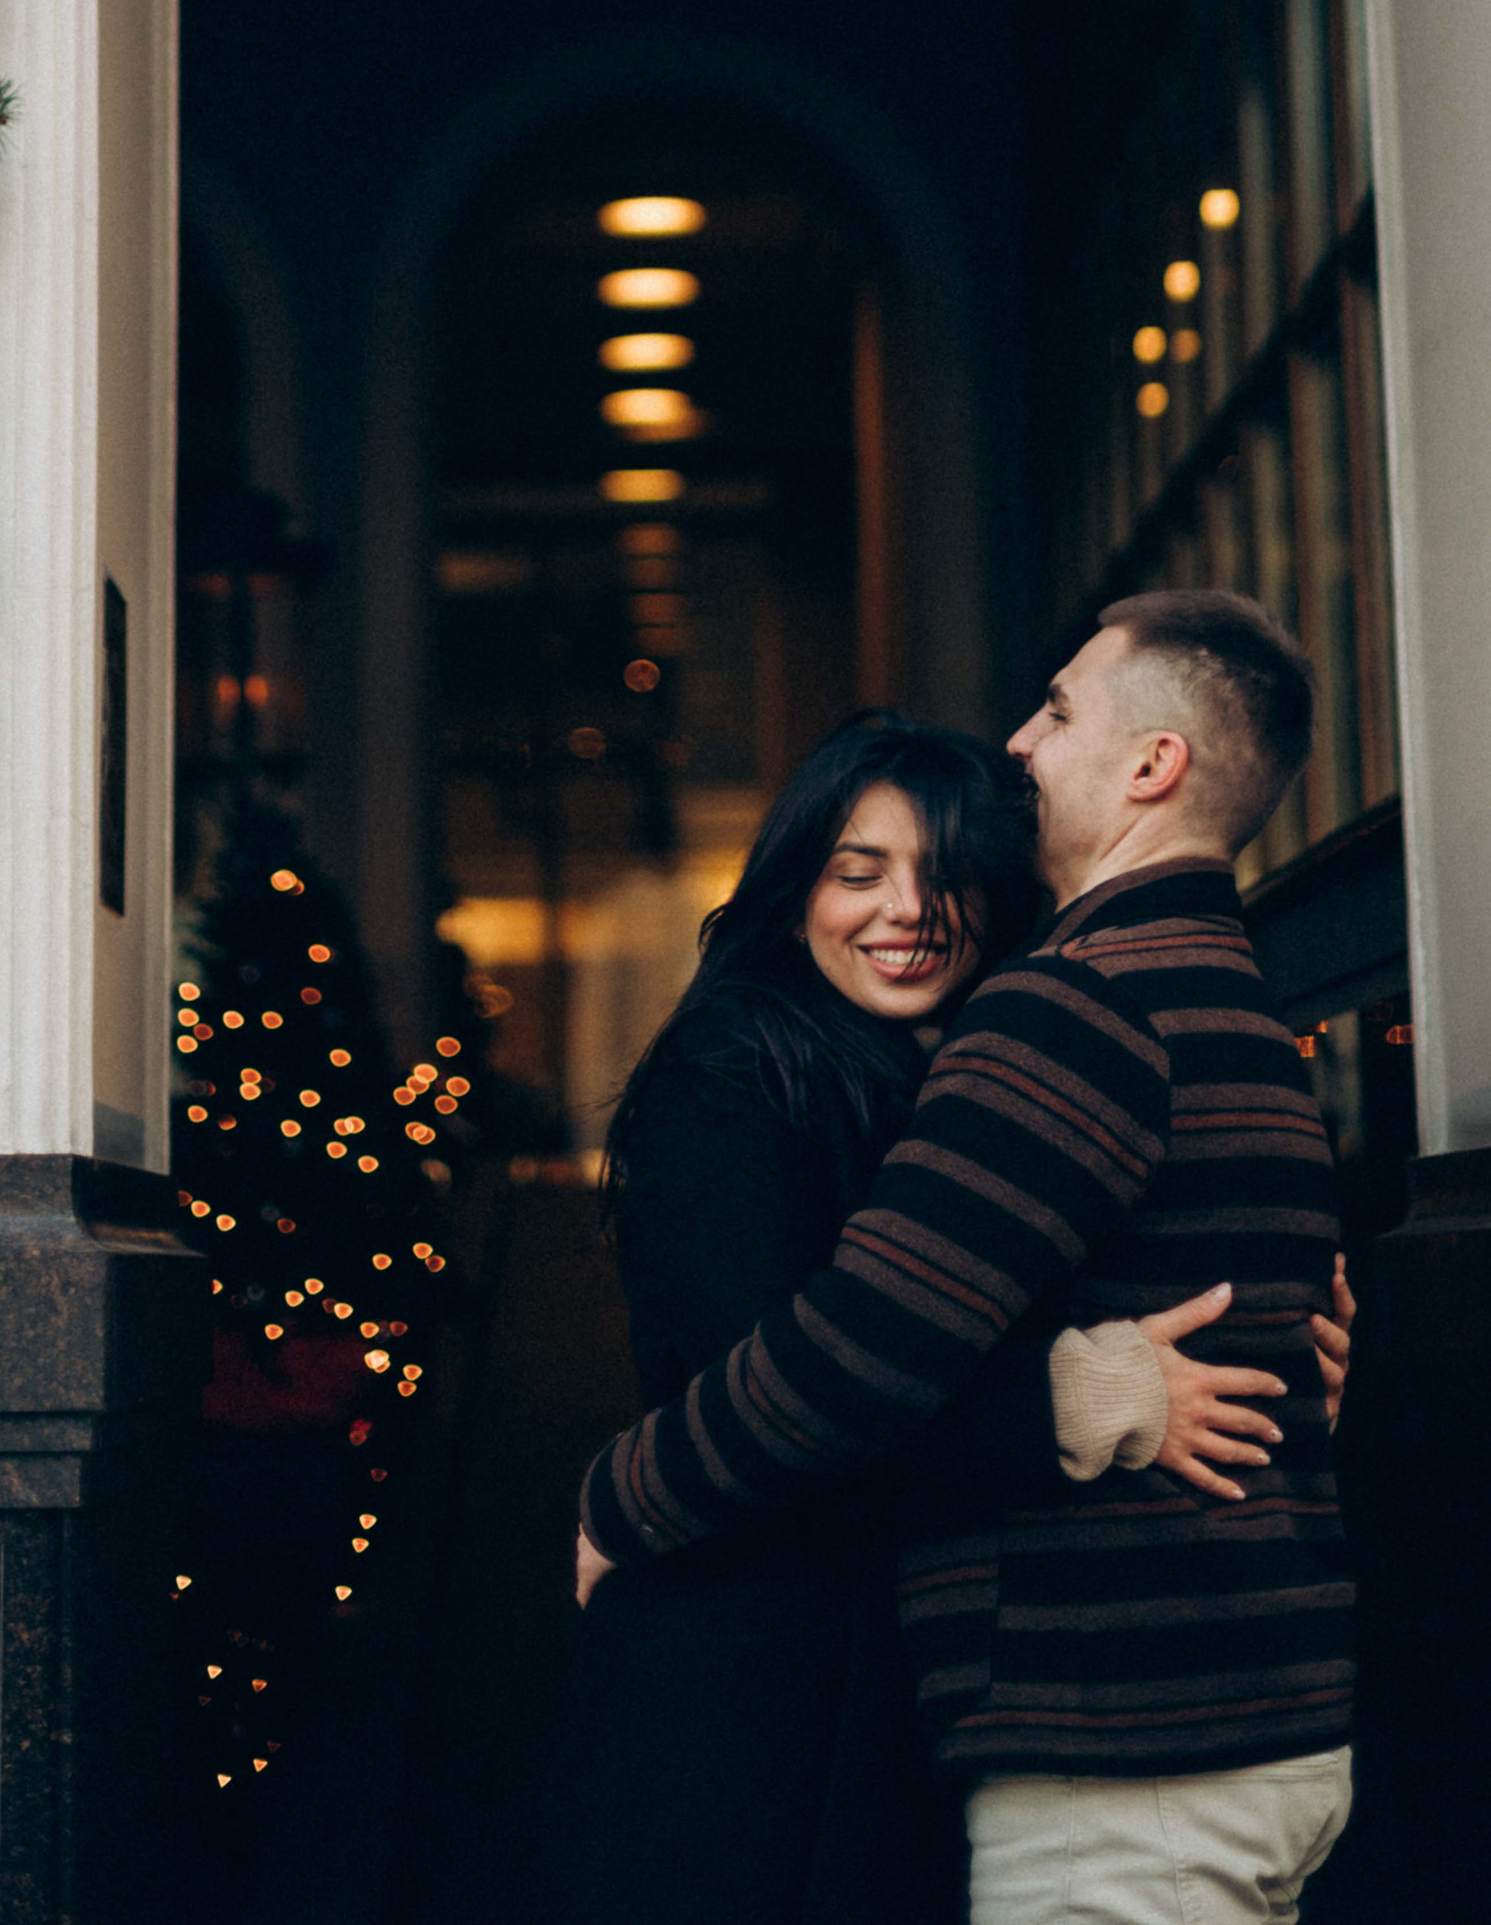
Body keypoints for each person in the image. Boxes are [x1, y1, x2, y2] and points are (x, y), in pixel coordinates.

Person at [577, 591, 1356, 1925]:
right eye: (858, 870)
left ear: (1150, 766)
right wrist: (1082, 1394)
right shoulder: (1213, 993)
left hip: (1125, 1736)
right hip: (801, 1691)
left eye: (1055, 710)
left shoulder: (1067, 1012)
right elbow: (824, 1367)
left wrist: (619, 1495)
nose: (1023, 741)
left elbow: (854, 1362)